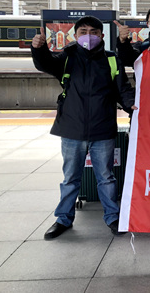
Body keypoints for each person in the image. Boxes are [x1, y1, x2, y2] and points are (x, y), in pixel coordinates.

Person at [31, 15, 136, 239]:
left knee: (106, 177)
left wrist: (133, 106)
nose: (89, 36)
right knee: (70, 177)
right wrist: (39, 49)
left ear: (102, 36)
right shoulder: (67, 57)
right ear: (75, 35)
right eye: (84, 32)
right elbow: (45, 64)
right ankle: (63, 219)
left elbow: (123, 89)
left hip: (102, 128)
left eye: (94, 32)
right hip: (72, 129)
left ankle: (113, 217)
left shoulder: (111, 59)